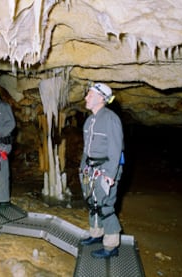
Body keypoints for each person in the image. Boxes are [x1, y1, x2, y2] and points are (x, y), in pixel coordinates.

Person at [79, 83, 124, 259]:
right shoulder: (89, 120)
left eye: (89, 94)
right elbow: (86, 148)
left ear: (100, 98)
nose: (86, 97)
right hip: (90, 169)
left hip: (105, 170)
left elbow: (116, 148)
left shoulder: (111, 119)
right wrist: (83, 167)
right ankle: (96, 234)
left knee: (106, 206)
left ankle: (111, 245)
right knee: (93, 203)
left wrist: (110, 175)